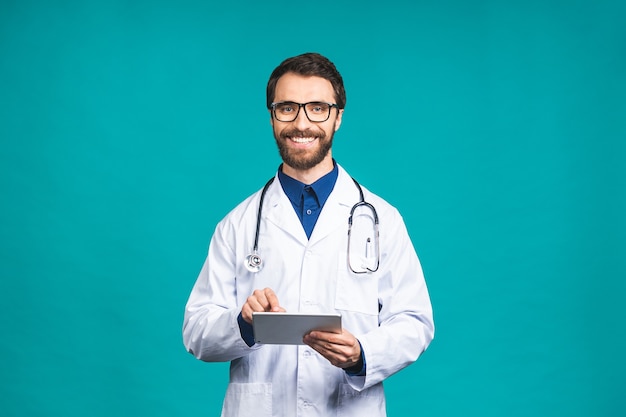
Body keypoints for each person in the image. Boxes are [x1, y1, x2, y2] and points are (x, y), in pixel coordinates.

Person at [183, 52, 434, 417]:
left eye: (317, 108)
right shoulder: (236, 225)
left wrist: (362, 354)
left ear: (338, 117)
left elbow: (415, 322)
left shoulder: (383, 220)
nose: (301, 123)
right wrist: (243, 324)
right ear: (272, 116)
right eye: (287, 108)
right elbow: (197, 332)